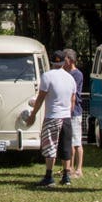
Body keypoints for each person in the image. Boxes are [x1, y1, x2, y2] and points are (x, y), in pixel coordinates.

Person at [30, 56, 75, 186]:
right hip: (66, 117)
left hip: (52, 116)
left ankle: (49, 176)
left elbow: (40, 98)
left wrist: (33, 114)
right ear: (63, 63)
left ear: (51, 62)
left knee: (50, 146)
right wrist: (68, 113)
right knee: (65, 146)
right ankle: (66, 176)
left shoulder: (47, 76)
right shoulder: (70, 78)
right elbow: (73, 100)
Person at [61, 49, 87, 180]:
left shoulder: (77, 74)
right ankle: (68, 168)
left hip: (75, 111)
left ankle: (78, 168)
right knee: (68, 141)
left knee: (76, 142)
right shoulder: (64, 73)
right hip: (66, 111)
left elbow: (72, 92)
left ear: (71, 60)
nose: (62, 62)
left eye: (64, 59)